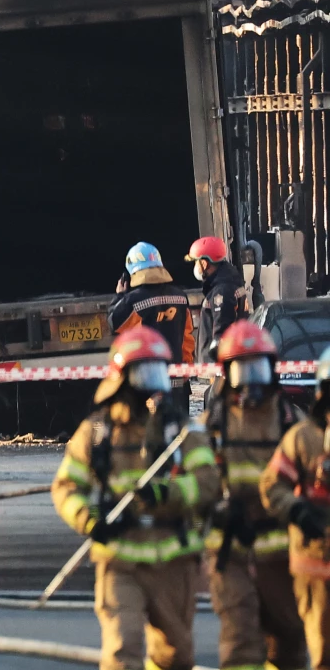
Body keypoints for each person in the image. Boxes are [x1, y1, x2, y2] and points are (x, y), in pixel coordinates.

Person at [52, 327, 221, 670]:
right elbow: (66, 487)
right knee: (123, 650)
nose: (154, 384)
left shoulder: (181, 431)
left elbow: (208, 484)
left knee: (176, 657)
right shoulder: (97, 433)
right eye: (145, 373)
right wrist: (89, 520)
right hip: (120, 562)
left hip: (174, 561)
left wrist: (167, 494)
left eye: (158, 371)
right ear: (122, 378)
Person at [203, 321, 306, 670]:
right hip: (230, 549)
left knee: (290, 640)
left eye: (258, 368)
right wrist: (216, 509)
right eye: (241, 369)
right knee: (241, 639)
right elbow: (195, 482)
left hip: (281, 551)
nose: (251, 380)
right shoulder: (212, 426)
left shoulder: (291, 422)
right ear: (226, 373)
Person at [262, 345, 330, 669]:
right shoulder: (304, 438)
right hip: (316, 566)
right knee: (322, 655)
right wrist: (297, 511)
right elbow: (273, 485)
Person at [109, 242, 196, 414]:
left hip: (148, 384)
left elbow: (114, 323)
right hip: (177, 383)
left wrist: (120, 295)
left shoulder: (133, 301)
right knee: (179, 434)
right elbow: (187, 337)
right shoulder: (180, 297)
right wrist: (186, 368)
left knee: (152, 436)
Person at [187, 236, 250, 363]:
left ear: (204, 263)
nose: (196, 266)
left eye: (196, 262)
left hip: (216, 370)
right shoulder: (230, 283)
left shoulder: (221, 292)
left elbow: (221, 337)